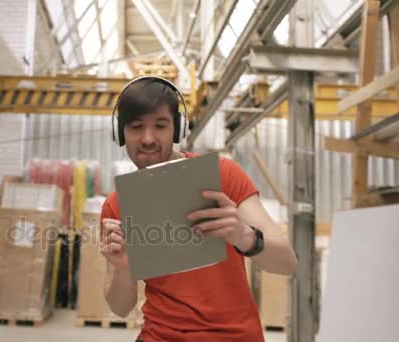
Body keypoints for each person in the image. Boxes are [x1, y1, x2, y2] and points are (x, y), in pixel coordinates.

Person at [100, 76, 298, 342]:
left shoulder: (223, 176)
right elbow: (120, 308)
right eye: (136, 127)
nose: (147, 138)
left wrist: (243, 235)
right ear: (120, 132)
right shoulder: (117, 205)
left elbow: (287, 263)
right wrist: (124, 268)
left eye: (160, 126)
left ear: (178, 129)